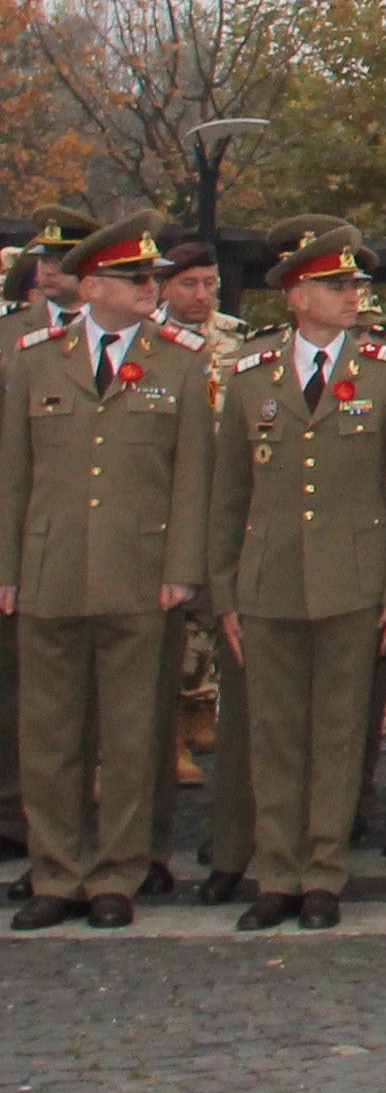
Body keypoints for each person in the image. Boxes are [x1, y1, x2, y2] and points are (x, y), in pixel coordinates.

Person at [204, 226, 386, 928]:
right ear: (298, 296)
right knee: (272, 733)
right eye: (338, 286)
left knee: (338, 730)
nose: (353, 297)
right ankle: (278, 872)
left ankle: (324, 871)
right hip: (269, 579)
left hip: (352, 581)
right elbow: (227, 493)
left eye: (357, 286)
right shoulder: (250, 374)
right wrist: (225, 588)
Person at [0, 213, 206, 929]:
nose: (153, 287)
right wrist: (8, 567)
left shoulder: (181, 357)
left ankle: (118, 871)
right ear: (91, 287)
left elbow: (191, 475)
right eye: (136, 278)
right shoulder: (34, 357)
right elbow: (14, 473)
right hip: (51, 564)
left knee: (129, 733)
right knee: (49, 733)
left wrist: (183, 567)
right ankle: (57, 872)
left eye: (153, 277)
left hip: (139, 567)